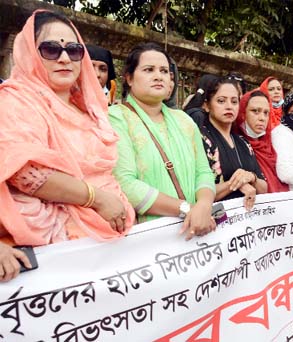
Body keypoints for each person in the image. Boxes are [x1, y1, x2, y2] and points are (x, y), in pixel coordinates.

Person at [0, 10, 135, 281]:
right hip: (49, 256)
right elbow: (26, 174)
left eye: (73, 50)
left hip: (108, 247)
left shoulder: (89, 110)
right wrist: (96, 199)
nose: (64, 58)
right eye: (51, 49)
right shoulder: (17, 101)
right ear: (30, 52)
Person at [109, 42, 217, 240]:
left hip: (197, 230)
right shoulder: (115, 117)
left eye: (164, 71)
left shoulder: (184, 120)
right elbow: (124, 183)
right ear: (129, 78)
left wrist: (203, 206)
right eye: (149, 70)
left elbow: (203, 172)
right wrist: (187, 209)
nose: (159, 76)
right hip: (148, 238)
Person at [198, 77, 267, 210]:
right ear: (206, 105)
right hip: (214, 221)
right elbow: (196, 192)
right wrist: (235, 184)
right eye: (221, 101)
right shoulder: (201, 139)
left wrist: (251, 177)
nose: (229, 106)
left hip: (244, 221)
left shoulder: (243, 142)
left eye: (234, 101)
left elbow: (264, 187)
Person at [234, 89, 288, 193]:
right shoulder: (234, 146)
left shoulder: (271, 146)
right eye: (255, 111)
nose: (262, 118)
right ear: (242, 113)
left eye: (266, 113)